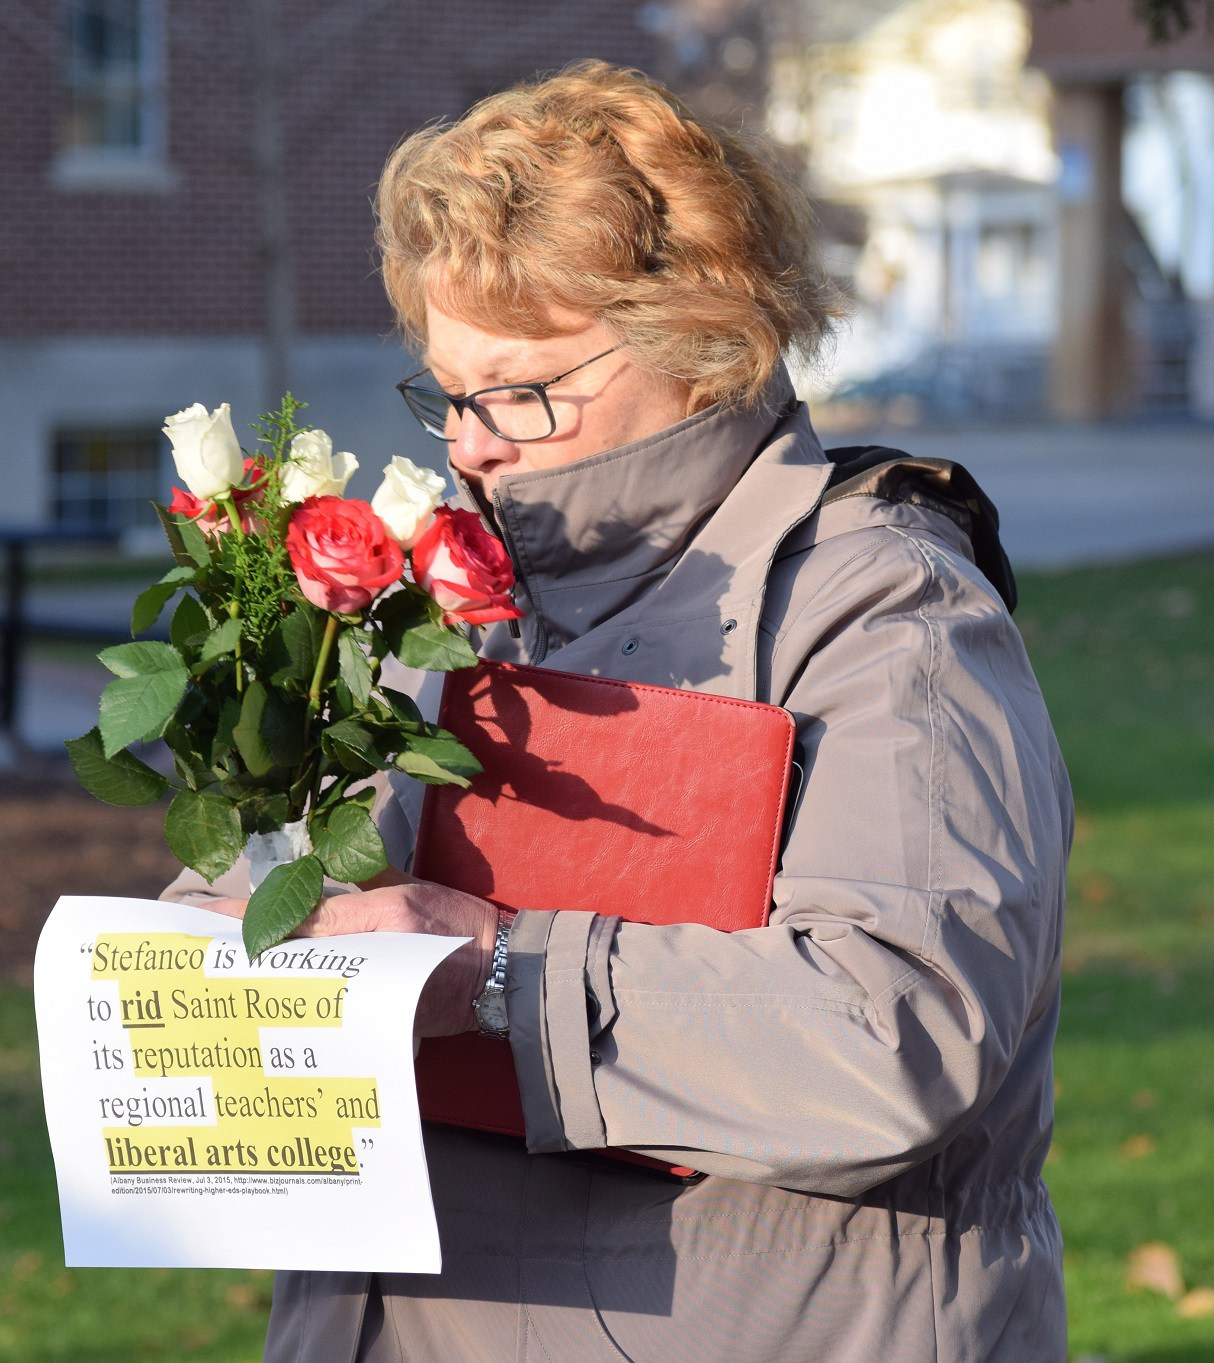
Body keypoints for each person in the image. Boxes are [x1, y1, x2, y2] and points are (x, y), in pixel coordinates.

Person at [165, 60, 1072, 1362]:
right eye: (448, 393)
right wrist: (210, 949)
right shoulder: (431, 595)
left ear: (703, 345)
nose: (469, 446)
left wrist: (493, 973)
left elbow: (902, 1031)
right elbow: (317, 885)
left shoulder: (887, 611)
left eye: (521, 392)